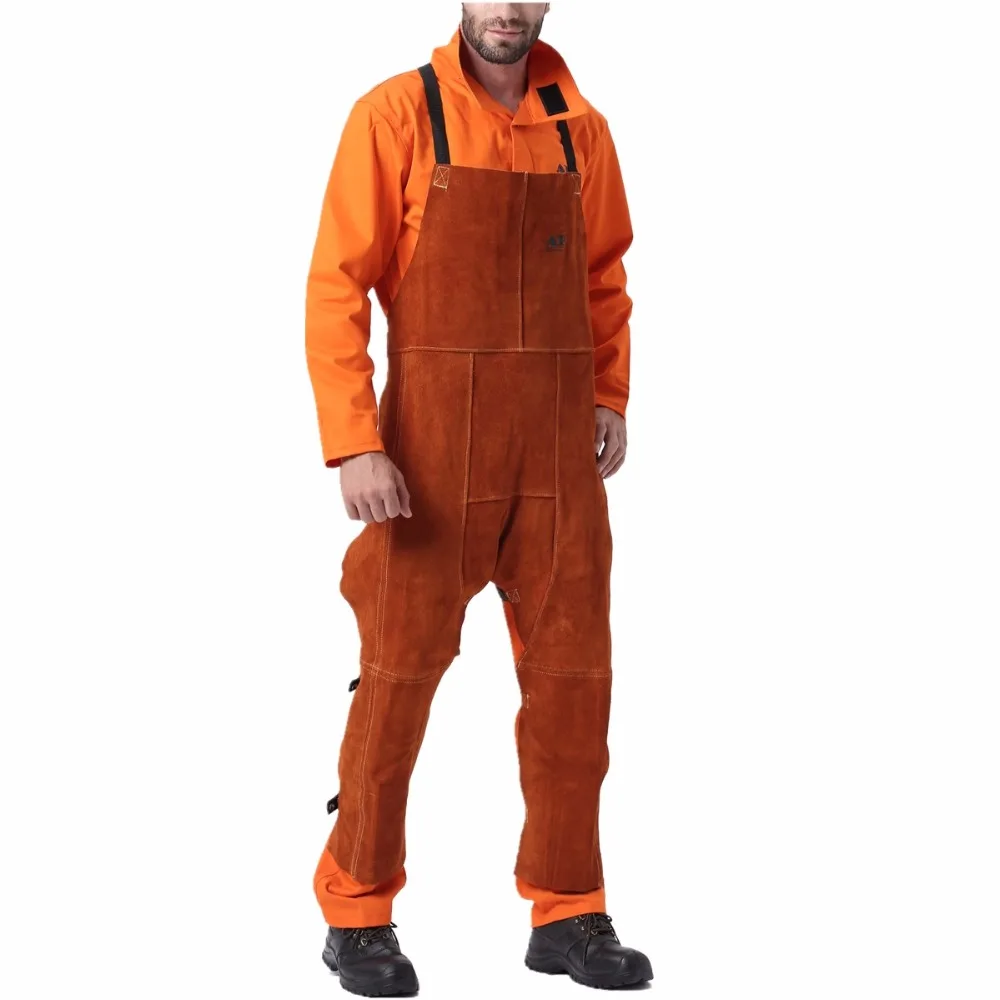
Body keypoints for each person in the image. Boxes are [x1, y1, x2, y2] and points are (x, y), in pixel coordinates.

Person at [305, 3, 650, 993]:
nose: (506, 8)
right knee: (396, 680)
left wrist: (609, 394)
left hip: (559, 459)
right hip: (425, 467)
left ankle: (569, 909)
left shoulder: (581, 129)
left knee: (575, 688)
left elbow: (603, 276)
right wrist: (354, 443)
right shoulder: (395, 115)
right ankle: (356, 910)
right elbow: (336, 285)